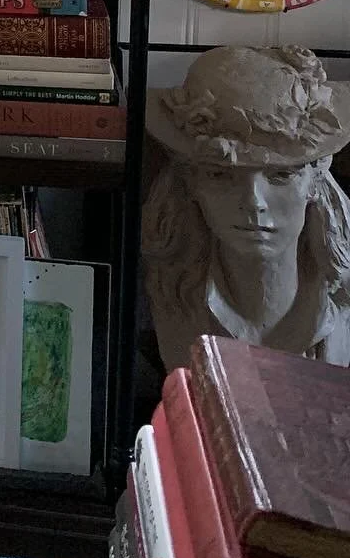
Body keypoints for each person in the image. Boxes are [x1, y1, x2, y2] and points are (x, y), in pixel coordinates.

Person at [142, 45, 350, 368]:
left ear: (316, 178)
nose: (254, 201)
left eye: (281, 175)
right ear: (192, 183)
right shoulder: (175, 300)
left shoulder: (339, 306)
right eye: (221, 176)